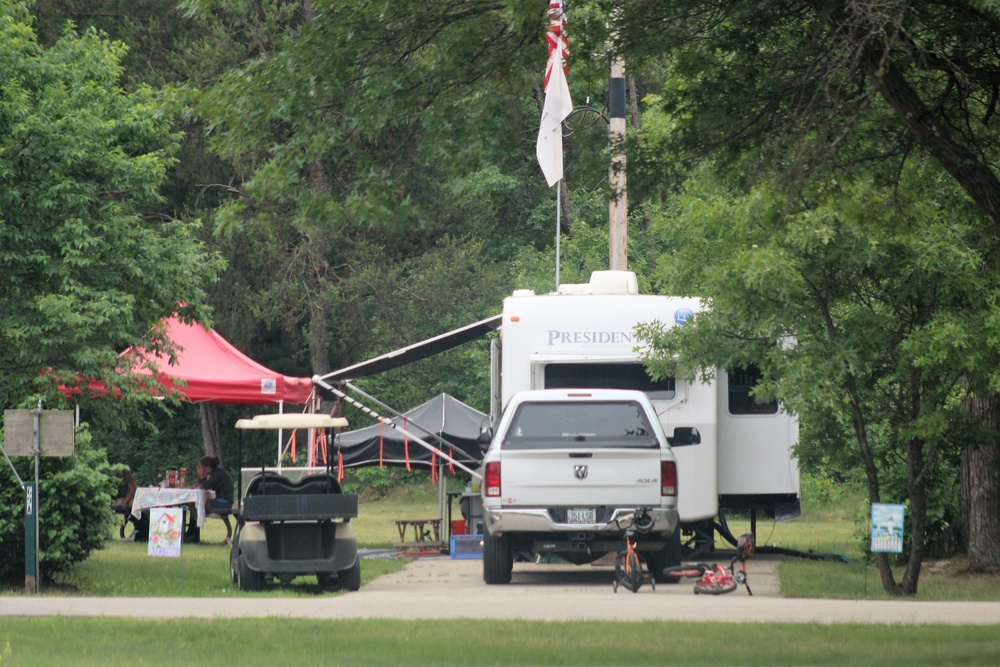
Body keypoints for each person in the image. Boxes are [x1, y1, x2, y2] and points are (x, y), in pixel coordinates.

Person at [196, 455, 234, 543]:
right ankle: (193, 530)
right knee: (203, 506)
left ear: (206, 467)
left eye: (201, 467)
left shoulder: (217, 474)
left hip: (225, 501)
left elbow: (205, 486)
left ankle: (194, 530)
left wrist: (202, 476)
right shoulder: (216, 473)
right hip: (223, 499)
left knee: (203, 507)